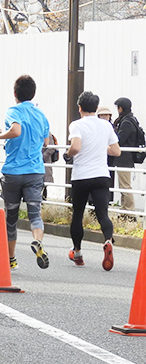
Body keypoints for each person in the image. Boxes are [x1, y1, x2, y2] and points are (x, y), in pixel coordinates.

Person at [0, 75, 51, 271]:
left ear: (15, 93)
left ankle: (12, 259)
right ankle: (38, 241)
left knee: (11, 218)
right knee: (35, 214)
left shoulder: (13, 111)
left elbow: (16, 130)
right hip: (35, 171)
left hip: (14, 171)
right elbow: (46, 142)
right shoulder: (41, 114)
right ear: (33, 93)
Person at [66, 91, 121, 270]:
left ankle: (77, 253)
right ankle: (108, 240)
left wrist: (68, 154)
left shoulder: (76, 125)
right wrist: (100, 148)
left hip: (81, 176)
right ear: (96, 108)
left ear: (79, 107)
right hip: (101, 175)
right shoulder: (106, 125)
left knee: (78, 213)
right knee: (103, 213)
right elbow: (116, 151)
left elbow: (76, 147)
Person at [112, 97, 139, 212]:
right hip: (127, 158)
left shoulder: (126, 122)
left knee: (125, 186)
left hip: (124, 158)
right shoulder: (131, 119)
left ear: (121, 108)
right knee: (123, 185)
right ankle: (125, 210)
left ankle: (129, 211)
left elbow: (120, 139)